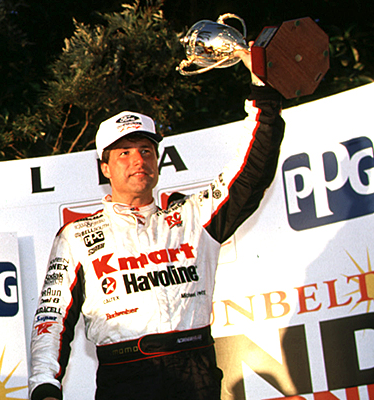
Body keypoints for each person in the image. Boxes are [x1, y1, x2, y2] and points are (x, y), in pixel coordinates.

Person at [28, 49, 285, 400]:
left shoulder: (194, 216)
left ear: (158, 162)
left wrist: (264, 94)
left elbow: (251, 173)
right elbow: (52, 318)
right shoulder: (76, 236)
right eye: (124, 153)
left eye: (146, 150)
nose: (138, 160)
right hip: (126, 376)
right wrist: (44, 385)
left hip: (195, 370)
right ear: (105, 167)